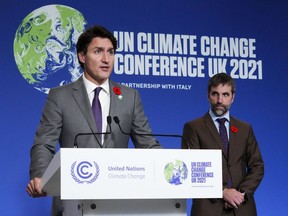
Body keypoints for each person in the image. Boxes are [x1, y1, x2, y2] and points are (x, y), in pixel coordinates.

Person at [26, 25, 161, 215]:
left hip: (116, 201)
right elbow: (44, 143)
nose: (106, 59)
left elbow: (147, 144)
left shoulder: (129, 96)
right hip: (74, 199)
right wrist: (40, 176)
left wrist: (169, 166)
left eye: (110, 52)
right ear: (82, 56)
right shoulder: (60, 96)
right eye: (98, 52)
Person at [182, 73, 264, 216]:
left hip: (242, 207)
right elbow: (192, 169)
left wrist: (241, 194)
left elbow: (257, 166)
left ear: (233, 97)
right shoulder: (193, 127)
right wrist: (222, 192)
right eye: (215, 94)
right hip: (208, 208)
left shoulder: (245, 129)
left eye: (225, 94)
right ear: (208, 95)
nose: (220, 100)